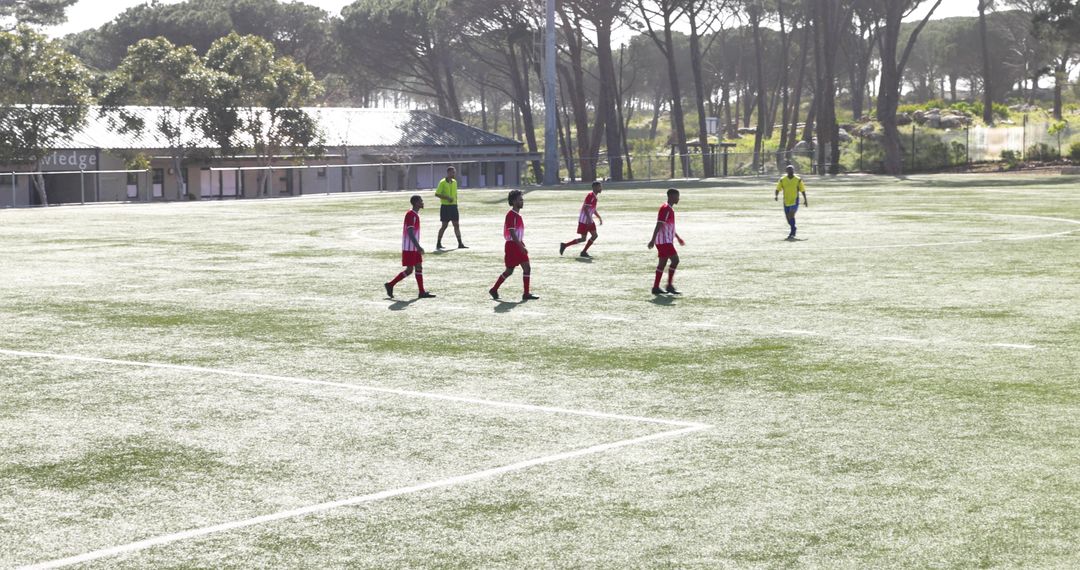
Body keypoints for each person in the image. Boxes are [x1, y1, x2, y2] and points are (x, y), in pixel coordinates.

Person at [490, 190, 539, 301]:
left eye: (522, 199)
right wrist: (520, 246)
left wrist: (521, 243)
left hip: (517, 244)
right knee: (511, 270)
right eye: (520, 199)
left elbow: (516, 233)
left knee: (523, 269)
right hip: (513, 246)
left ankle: (525, 293)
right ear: (513, 201)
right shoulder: (511, 215)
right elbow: (512, 232)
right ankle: (494, 289)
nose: (522, 201)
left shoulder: (517, 215)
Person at [384, 195, 436, 299]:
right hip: (410, 248)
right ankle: (390, 285)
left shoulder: (414, 214)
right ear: (416, 203)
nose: (423, 203)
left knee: (418, 267)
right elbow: (410, 231)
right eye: (421, 201)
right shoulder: (411, 214)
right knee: (409, 270)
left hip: (413, 248)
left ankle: (421, 292)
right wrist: (418, 246)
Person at [647, 188, 685, 296]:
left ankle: (655, 287)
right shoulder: (666, 209)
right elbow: (659, 224)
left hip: (666, 241)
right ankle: (669, 285)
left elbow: (670, 227)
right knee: (675, 260)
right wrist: (652, 240)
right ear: (671, 196)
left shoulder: (669, 209)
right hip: (664, 241)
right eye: (677, 196)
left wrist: (677, 237)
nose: (678, 198)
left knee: (662, 264)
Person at [560, 181, 604, 258]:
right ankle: (565, 245)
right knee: (583, 239)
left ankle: (583, 252)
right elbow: (586, 208)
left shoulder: (595, 197)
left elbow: (592, 209)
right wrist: (589, 219)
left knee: (594, 235)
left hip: (589, 220)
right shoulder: (590, 195)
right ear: (594, 188)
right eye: (599, 187)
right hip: (584, 221)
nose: (601, 188)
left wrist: (599, 217)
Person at [435, 166, 467, 250]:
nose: (454, 174)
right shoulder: (442, 182)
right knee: (444, 226)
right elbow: (437, 194)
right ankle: (438, 243)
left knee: (456, 225)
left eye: (454, 172)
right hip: (445, 207)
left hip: (453, 207)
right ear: (448, 173)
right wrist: (447, 198)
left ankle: (460, 243)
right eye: (453, 172)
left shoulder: (454, 182)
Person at [775, 165, 808, 240]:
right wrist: (776, 196)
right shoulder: (782, 179)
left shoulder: (798, 179)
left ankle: (792, 232)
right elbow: (778, 189)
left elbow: (802, 190)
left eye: (791, 170)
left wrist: (805, 200)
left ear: (793, 170)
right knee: (788, 218)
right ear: (786, 171)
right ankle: (794, 228)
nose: (790, 171)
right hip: (786, 201)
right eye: (789, 170)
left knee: (791, 215)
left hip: (794, 200)